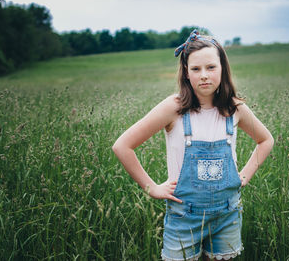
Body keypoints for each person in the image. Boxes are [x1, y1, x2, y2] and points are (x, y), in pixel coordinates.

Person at [112, 30, 274, 261]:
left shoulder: (234, 108)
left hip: (227, 213)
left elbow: (266, 140)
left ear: (223, 69)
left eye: (211, 67)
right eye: (196, 69)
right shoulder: (174, 108)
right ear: (186, 72)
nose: (204, 75)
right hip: (184, 215)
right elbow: (122, 146)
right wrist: (151, 188)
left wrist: (245, 175)